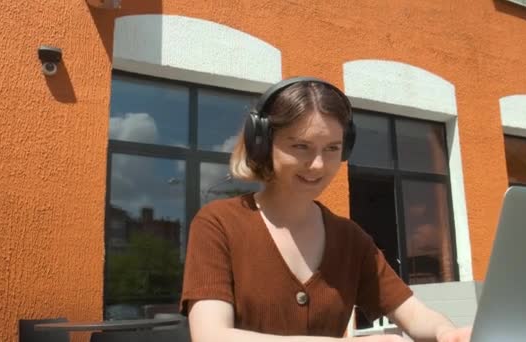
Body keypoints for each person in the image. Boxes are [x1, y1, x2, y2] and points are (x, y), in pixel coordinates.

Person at [181, 77, 472, 342]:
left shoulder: (350, 238)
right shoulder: (218, 224)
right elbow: (211, 336)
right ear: (263, 143)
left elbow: (414, 313)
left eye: (332, 148)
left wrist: (448, 333)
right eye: (301, 146)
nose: (318, 164)